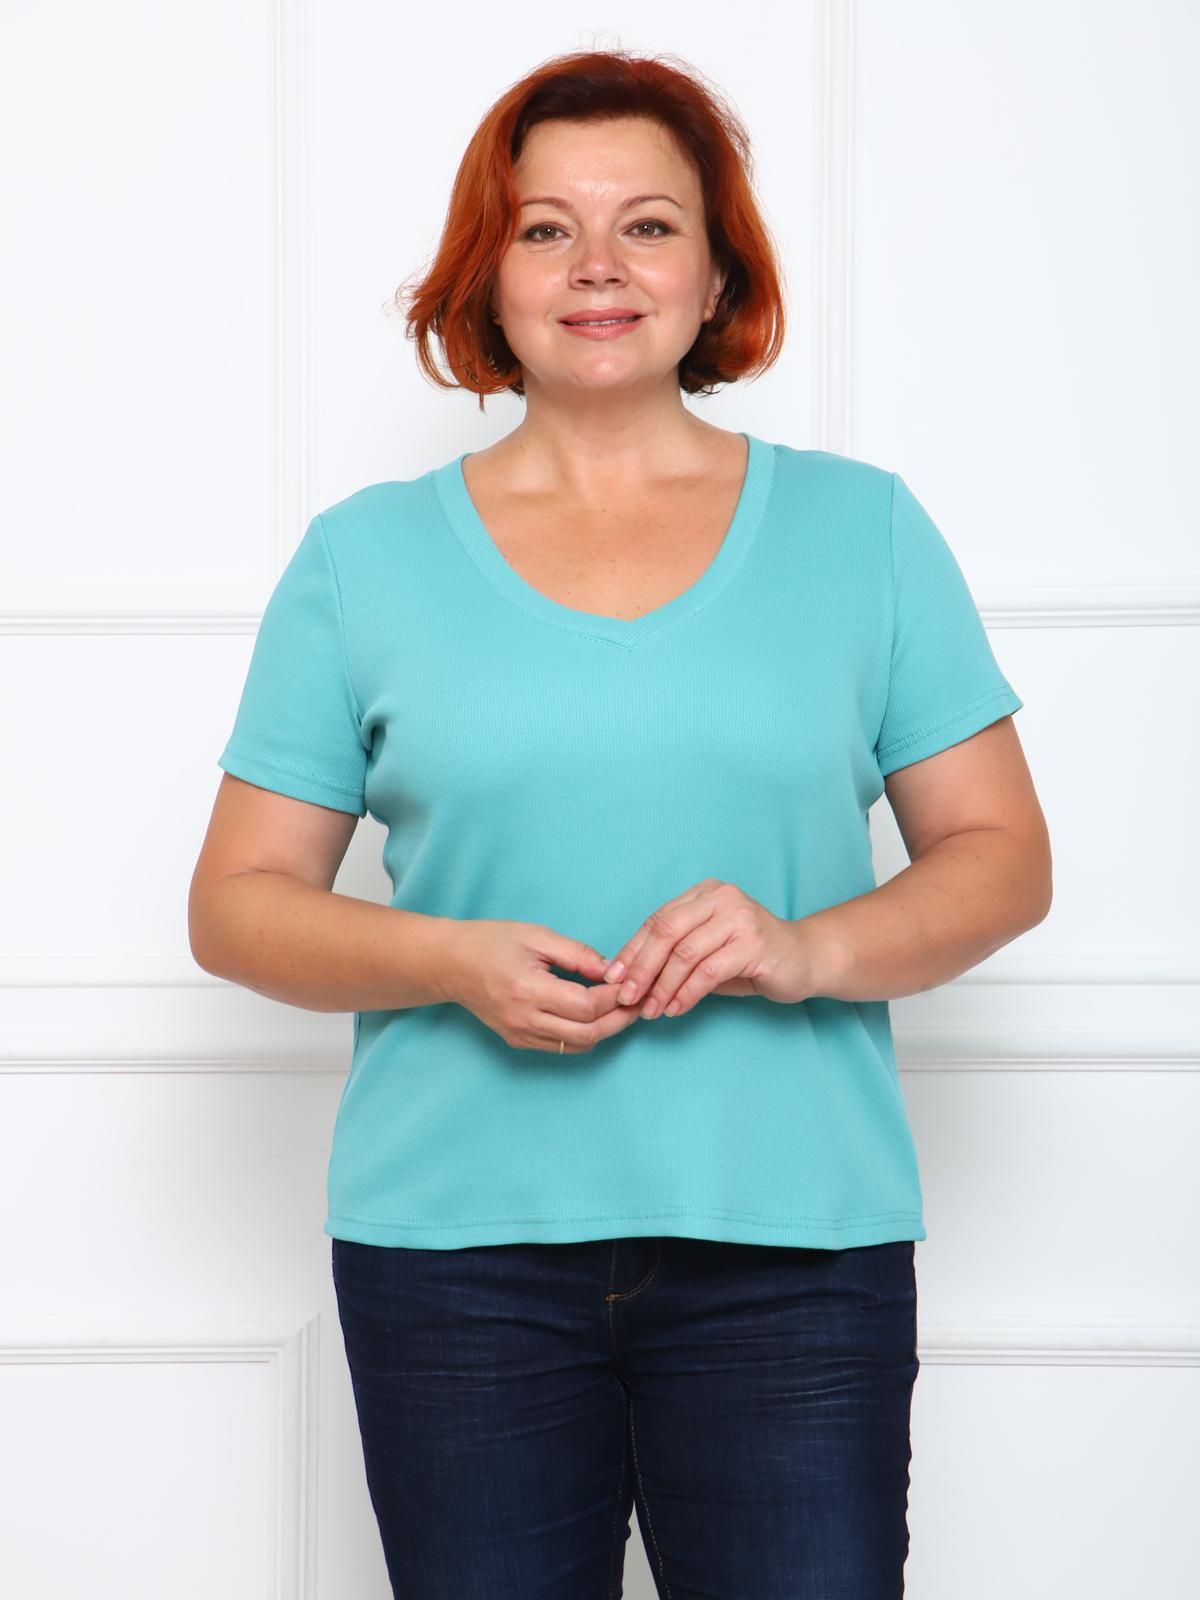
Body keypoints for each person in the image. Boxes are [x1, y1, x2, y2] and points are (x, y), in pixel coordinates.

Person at [189, 47, 1052, 1600]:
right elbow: (238, 902)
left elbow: (1002, 858)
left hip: (797, 1254)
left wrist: (805, 948)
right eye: (546, 229)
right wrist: (448, 959)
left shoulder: (864, 531)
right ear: (489, 276)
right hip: (455, 1262)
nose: (599, 266)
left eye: (649, 225)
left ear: (718, 275)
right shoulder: (360, 561)